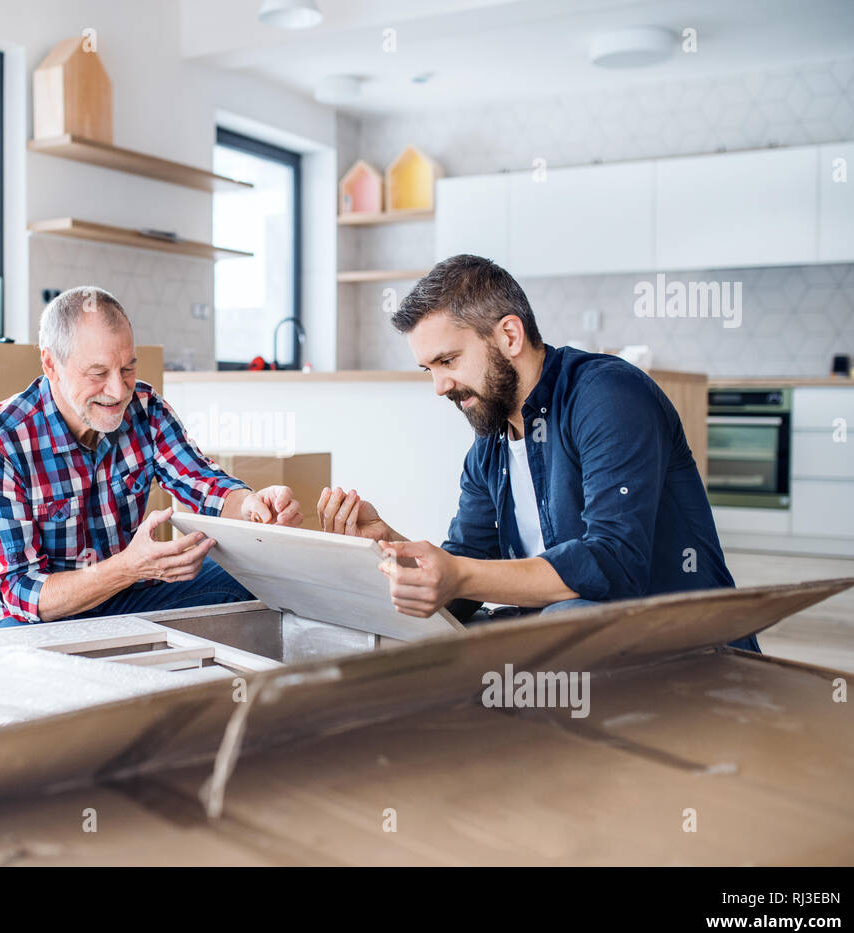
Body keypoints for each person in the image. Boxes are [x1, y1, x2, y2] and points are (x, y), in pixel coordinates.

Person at [316, 254, 759, 652]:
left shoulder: (608, 395)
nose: (439, 387)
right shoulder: (489, 445)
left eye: (448, 361)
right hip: (581, 646)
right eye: (428, 369)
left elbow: (614, 565)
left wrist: (459, 573)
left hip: (688, 647)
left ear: (509, 335)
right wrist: (390, 547)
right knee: (422, 643)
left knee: (557, 624)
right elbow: (468, 574)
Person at [0, 286, 301, 629]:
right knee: (37, 674)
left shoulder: (146, 409)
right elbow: (22, 593)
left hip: (122, 594)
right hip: (21, 617)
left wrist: (252, 505)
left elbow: (207, 485)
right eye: (98, 373)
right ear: (51, 364)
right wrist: (129, 567)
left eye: (127, 369)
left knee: (253, 578)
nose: (118, 391)